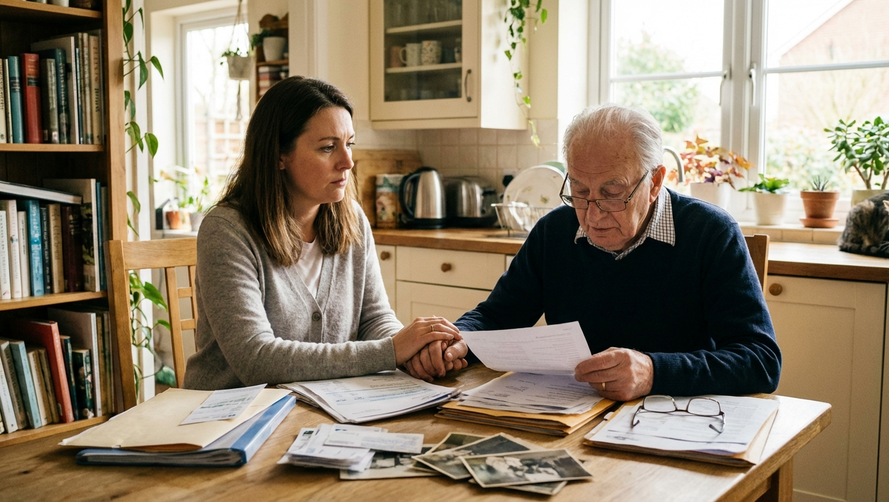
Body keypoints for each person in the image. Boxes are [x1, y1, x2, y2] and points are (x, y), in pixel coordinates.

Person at [454, 103, 781, 401]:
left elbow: (760, 360)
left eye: (612, 193)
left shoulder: (711, 233)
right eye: (580, 191)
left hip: (676, 420)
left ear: (654, 182)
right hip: (572, 416)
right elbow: (497, 317)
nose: (592, 215)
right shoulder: (554, 231)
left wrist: (653, 372)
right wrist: (457, 341)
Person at [184, 76, 466, 390]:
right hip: (230, 419)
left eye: (349, 144)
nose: (347, 162)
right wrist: (393, 350)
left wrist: (418, 352)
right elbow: (256, 359)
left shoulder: (353, 220)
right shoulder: (227, 231)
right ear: (279, 154)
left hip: (320, 409)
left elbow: (374, 319)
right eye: (328, 148)